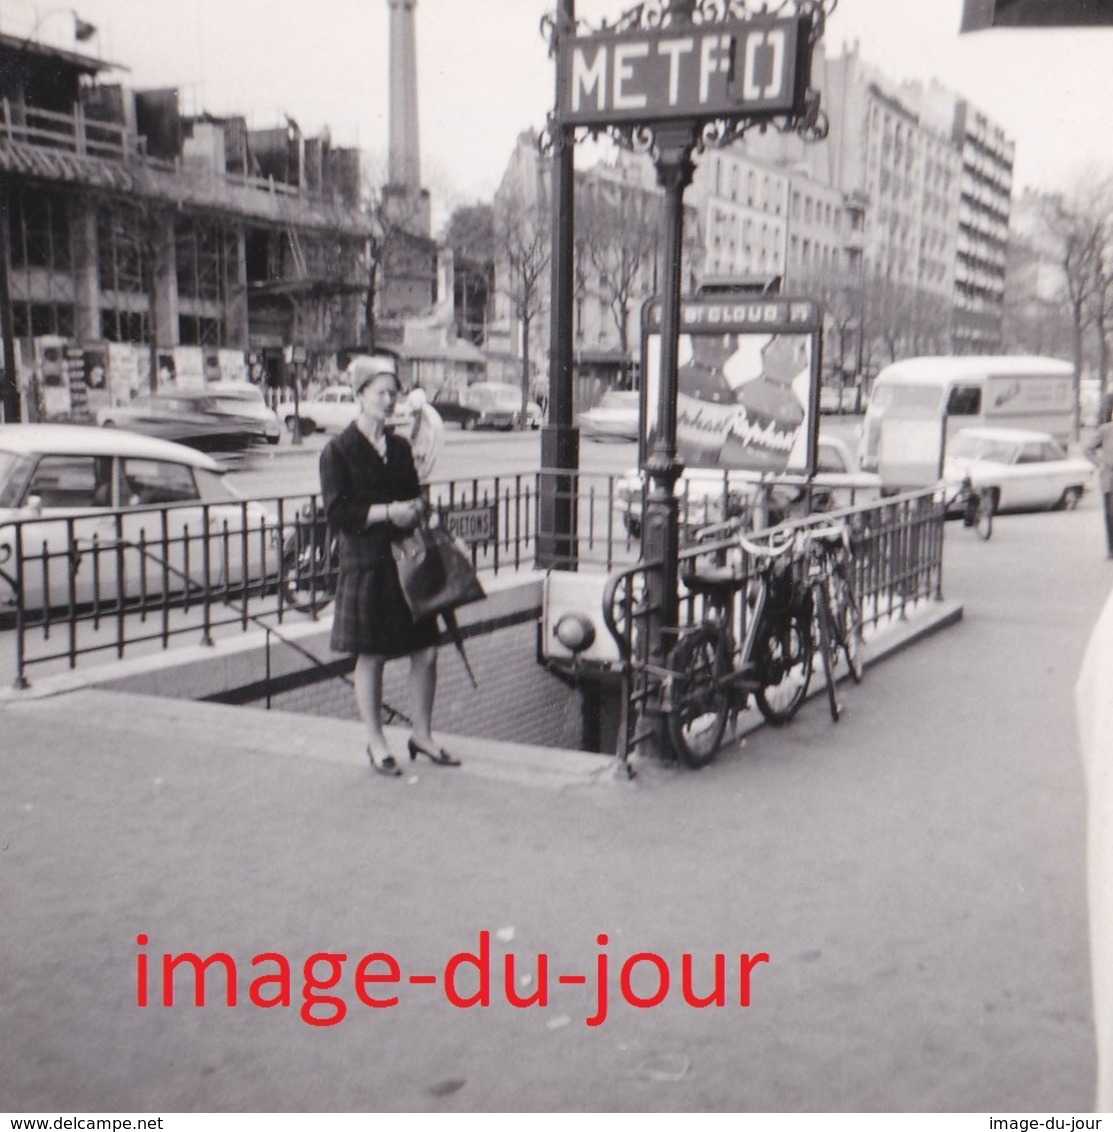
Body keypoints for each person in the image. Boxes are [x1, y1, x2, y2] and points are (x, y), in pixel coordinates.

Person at [319, 354, 459, 777]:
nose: (388, 400)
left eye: (393, 393)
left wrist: (418, 509)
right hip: (367, 565)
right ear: (360, 395)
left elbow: (414, 493)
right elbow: (338, 512)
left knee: (427, 653)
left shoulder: (399, 447)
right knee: (373, 656)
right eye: (380, 392)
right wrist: (388, 513)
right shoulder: (337, 451)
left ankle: (422, 735)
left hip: (405, 564)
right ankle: (377, 743)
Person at [1086, 394, 1113, 559]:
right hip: (1109, 477)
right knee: (1110, 514)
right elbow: (1088, 449)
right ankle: (1111, 548)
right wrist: (1100, 462)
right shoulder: (1106, 430)